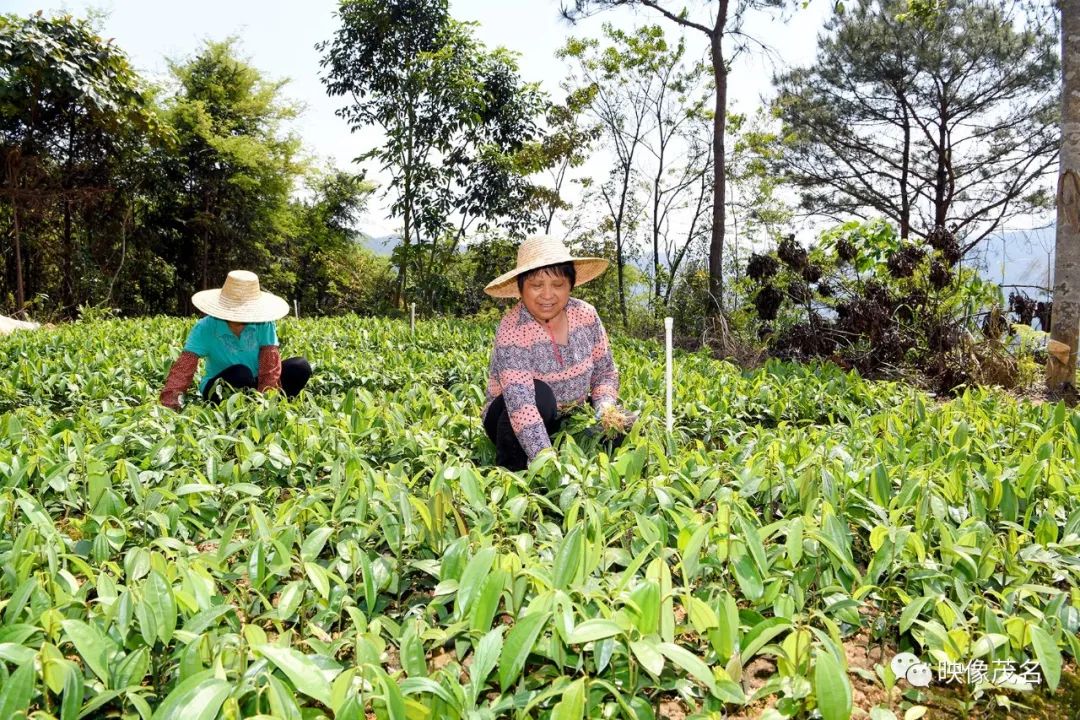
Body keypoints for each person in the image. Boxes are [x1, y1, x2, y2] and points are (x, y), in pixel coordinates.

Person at [481, 235, 635, 471]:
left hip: (571, 413)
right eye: (536, 285)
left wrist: (604, 410)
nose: (547, 295)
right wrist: (546, 460)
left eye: (557, 284)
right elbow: (520, 402)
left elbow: (605, 372)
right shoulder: (512, 329)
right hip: (510, 417)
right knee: (540, 395)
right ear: (521, 288)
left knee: (622, 421)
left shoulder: (586, 315)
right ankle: (514, 468)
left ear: (570, 285)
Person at [159, 270, 311, 410]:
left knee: (300, 366)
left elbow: (270, 365)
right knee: (241, 373)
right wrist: (170, 402)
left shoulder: (264, 323)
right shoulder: (205, 327)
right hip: (220, 385)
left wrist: (265, 399)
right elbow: (185, 367)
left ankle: (268, 406)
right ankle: (237, 406)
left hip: (254, 383)